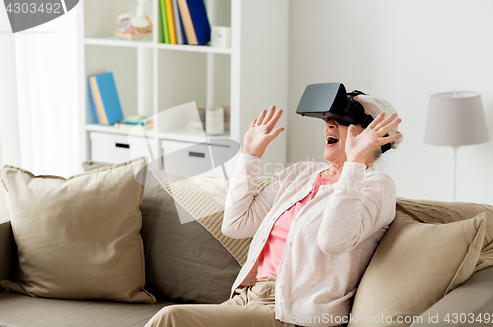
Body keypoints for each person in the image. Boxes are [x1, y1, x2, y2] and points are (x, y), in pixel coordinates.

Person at [145, 92, 403, 327]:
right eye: (328, 119)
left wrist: (355, 163)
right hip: (248, 298)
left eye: (344, 119)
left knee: (171, 319)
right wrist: (250, 155)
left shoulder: (376, 186)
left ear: (373, 135)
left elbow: (333, 241)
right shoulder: (301, 174)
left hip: (294, 314)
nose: (329, 125)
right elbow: (235, 225)